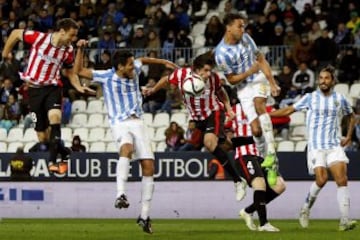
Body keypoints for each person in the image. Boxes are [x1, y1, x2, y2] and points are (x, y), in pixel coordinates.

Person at [75, 41, 177, 234]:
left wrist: (163, 62)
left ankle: (144, 216)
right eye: (129, 65)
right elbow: (79, 71)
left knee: (149, 167)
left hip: (139, 122)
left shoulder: (134, 68)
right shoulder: (106, 76)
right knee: (127, 148)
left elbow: (142, 59)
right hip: (119, 123)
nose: (133, 66)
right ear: (120, 67)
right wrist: (80, 49)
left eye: (132, 64)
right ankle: (120, 194)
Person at [143, 51, 247, 201]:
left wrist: (229, 108)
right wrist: (153, 90)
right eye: (205, 70)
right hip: (197, 118)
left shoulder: (213, 78)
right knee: (223, 145)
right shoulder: (182, 75)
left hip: (213, 112)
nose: (208, 73)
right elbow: (166, 79)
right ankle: (246, 142)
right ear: (196, 69)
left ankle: (238, 181)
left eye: (210, 70)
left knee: (209, 143)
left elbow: (221, 92)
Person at [1, 18, 94, 174]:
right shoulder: (40, 38)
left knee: (55, 118)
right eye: (71, 36)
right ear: (61, 31)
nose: (73, 39)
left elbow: (70, 71)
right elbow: (16, 33)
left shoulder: (68, 50)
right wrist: (5, 53)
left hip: (53, 88)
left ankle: (53, 163)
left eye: (75, 36)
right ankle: (64, 152)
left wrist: (78, 86)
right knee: (43, 137)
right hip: (33, 91)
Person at [269, 66, 357, 231]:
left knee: (342, 180)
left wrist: (349, 135)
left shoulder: (340, 98)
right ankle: (305, 209)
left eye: (326, 78)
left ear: (333, 81)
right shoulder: (310, 98)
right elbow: (289, 109)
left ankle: (344, 220)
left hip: (334, 145)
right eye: (321, 78)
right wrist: (269, 115)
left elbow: (351, 116)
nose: (323, 81)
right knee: (321, 180)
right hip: (316, 147)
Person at [214, 13, 281, 186]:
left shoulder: (247, 39)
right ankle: (270, 163)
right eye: (239, 26)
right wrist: (249, 72)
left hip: (259, 79)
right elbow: (231, 80)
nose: (243, 29)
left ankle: (272, 153)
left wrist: (272, 83)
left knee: (260, 105)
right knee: (256, 131)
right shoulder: (220, 54)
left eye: (243, 26)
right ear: (229, 28)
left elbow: (261, 60)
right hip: (243, 88)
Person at [230, 102, 286, 232]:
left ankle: (248, 211)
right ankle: (263, 224)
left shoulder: (261, 107)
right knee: (260, 184)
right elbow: (223, 135)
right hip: (245, 155)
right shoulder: (234, 110)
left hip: (262, 156)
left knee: (280, 185)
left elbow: (284, 118)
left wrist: (268, 115)